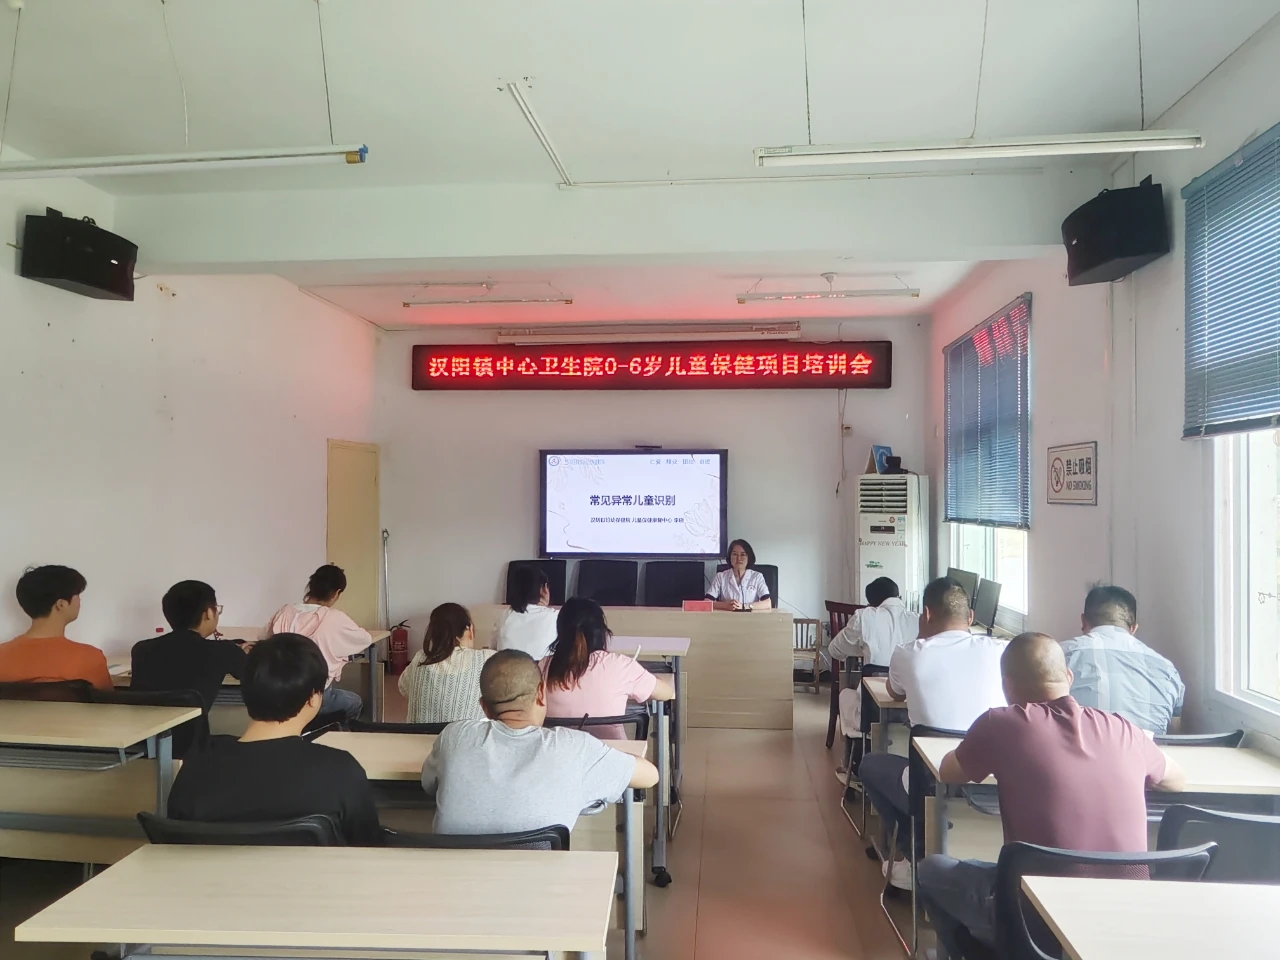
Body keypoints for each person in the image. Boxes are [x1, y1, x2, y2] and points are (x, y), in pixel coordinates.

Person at [917, 633, 1186, 958]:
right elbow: (1176, 780)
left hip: (1036, 918)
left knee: (932, 869)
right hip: (1125, 919)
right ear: (1068, 677)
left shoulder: (999, 724)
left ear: (1007, 685)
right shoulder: (1124, 729)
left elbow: (949, 771)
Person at [858, 576, 1007, 890]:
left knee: (871, 764)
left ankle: (910, 851)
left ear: (926, 614)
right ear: (970, 617)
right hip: (994, 788)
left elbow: (894, 693)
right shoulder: (1001, 650)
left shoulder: (909, 652)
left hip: (927, 782)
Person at [167, 633, 382, 845]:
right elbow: (367, 848)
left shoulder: (195, 768)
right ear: (314, 698)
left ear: (246, 691)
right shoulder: (341, 771)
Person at [422, 649, 659, 834]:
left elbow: (429, 784)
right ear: (541, 693)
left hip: (453, 879)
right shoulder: (574, 748)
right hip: (539, 880)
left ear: (484, 707)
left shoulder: (454, 736)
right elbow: (650, 776)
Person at [130, 580, 249, 757]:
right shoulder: (224, 651)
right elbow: (251, 674)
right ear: (208, 613)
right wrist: (241, 654)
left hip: (144, 748)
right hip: (193, 751)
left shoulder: (141, 649)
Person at [540, 597, 675, 738]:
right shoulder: (620, 665)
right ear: (602, 632)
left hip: (557, 750)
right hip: (610, 750)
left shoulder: (541, 667)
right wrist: (649, 677)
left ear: (560, 631)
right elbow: (666, 693)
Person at [1059, 585, 1184, 734]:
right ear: (1133, 628)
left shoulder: (1059, 655)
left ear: (1083, 621)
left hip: (1079, 748)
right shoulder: (1168, 670)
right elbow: (1174, 735)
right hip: (1148, 749)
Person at [830, 577, 920, 781]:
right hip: (911, 713)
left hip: (872, 711)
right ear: (899, 597)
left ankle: (855, 764)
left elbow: (835, 650)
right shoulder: (917, 620)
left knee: (846, 696)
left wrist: (861, 647)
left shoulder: (864, 616)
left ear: (870, 603)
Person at [261, 564, 371, 723]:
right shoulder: (334, 618)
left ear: (310, 587)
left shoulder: (285, 611)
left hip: (281, 691)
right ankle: (336, 734)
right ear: (336, 593)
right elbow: (365, 639)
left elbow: (264, 636)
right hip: (316, 696)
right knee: (355, 702)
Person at [0, 565, 111, 690]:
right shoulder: (91, 658)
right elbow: (108, 701)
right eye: (78, 596)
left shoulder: (2, 655)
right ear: (61, 604)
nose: (80, 601)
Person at [398, 602, 494, 723]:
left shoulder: (420, 657)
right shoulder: (486, 659)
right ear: (469, 629)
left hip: (416, 734)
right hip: (465, 735)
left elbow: (403, 688)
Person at [497, 564, 558, 660]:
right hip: (539, 669)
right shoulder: (555, 617)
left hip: (506, 667)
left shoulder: (504, 616)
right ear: (544, 589)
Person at [705, 539, 772, 611]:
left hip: (750, 617)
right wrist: (725, 605)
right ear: (730, 556)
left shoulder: (757, 577)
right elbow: (707, 602)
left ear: (749, 557)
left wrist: (745, 606)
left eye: (743, 554)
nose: (738, 558)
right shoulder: (721, 577)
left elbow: (767, 603)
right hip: (727, 616)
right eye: (735, 554)